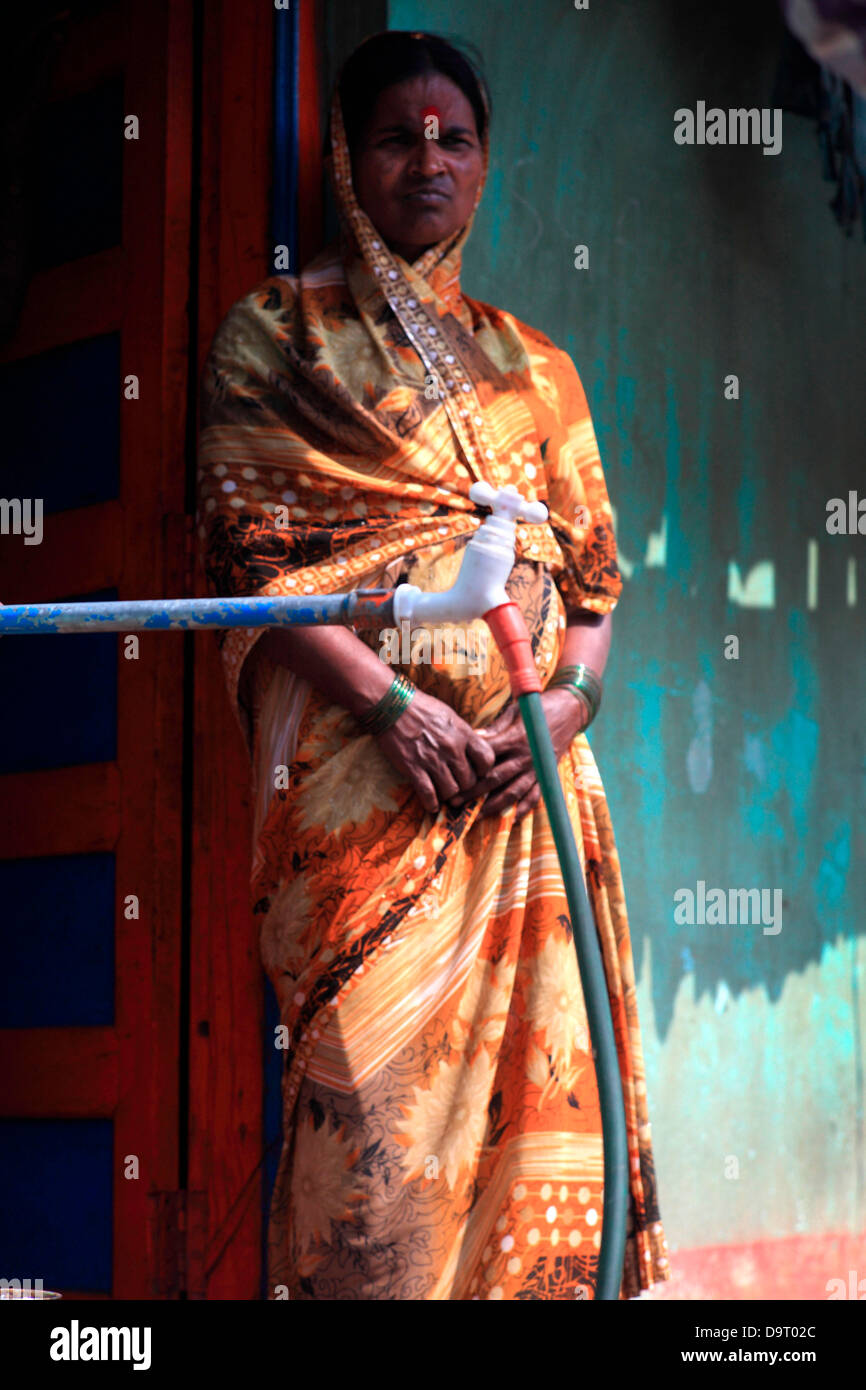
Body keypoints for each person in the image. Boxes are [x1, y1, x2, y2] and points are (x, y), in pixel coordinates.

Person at [197, 29, 670, 1301]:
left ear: (482, 164)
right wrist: (392, 700)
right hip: (360, 801)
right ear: (347, 160)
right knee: (377, 1140)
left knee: (539, 1120)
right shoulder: (276, 337)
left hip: (528, 810)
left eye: (452, 138)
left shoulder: (538, 371)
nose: (426, 159)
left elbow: (594, 592)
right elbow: (247, 561)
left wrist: (565, 709)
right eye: (397, 135)